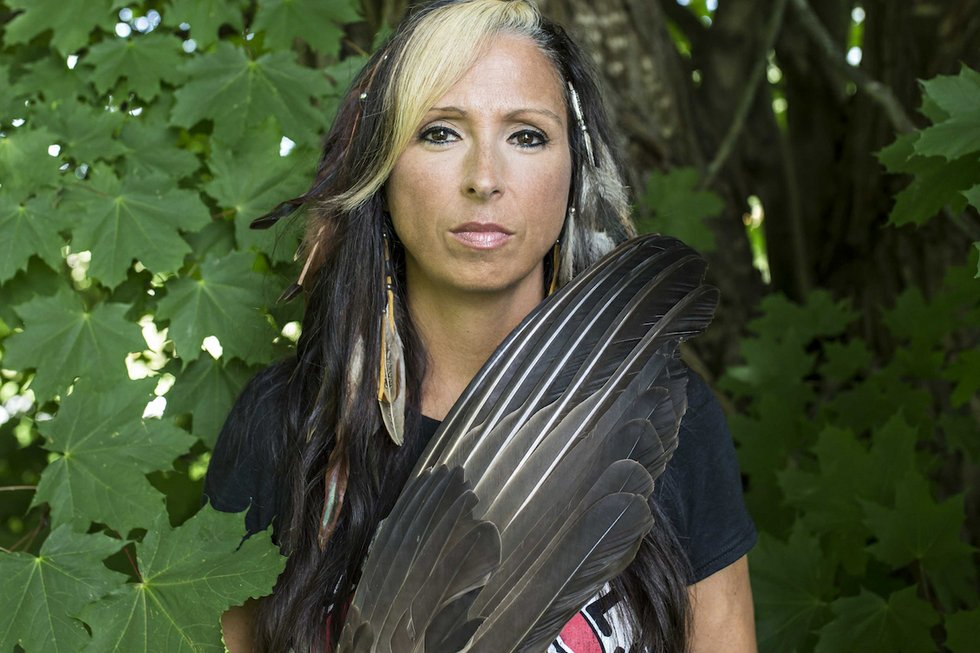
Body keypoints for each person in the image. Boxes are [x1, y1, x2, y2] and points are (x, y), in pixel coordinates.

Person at [205, 1, 757, 651]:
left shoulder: (675, 418)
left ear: (573, 171)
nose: (484, 180)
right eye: (440, 132)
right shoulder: (283, 427)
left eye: (526, 135)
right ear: (383, 170)